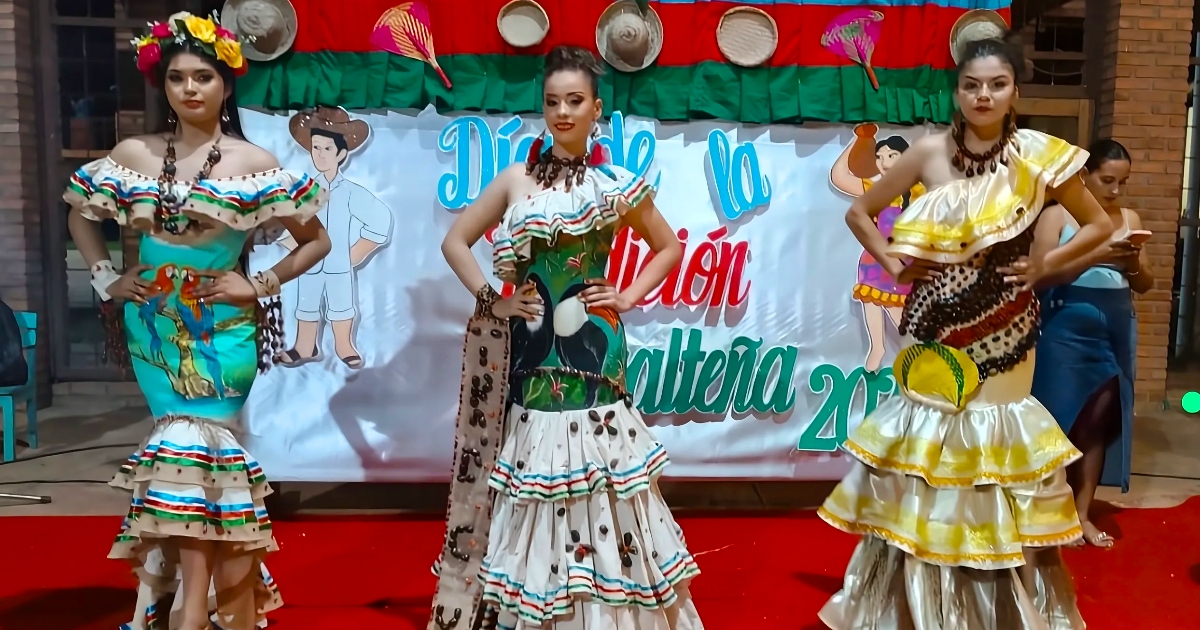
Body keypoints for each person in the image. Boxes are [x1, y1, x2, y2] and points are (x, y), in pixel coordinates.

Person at [816, 30, 1113, 629]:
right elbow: (859, 212)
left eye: (997, 85)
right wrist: (894, 263)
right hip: (933, 324)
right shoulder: (927, 152)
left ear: (1015, 92)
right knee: (934, 454)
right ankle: (916, 606)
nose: (984, 95)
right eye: (972, 85)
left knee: (996, 450)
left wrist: (1045, 266)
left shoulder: (1037, 155)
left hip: (1009, 327)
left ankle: (1001, 608)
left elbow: (1099, 225)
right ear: (957, 92)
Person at [63, 12, 331, 630]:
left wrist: (257, 284)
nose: (190, 88)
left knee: (195, 457)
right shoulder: (134, 154)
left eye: (203, 77)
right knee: (178, 466)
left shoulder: (253, 161)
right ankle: (197, 604)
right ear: (163, 85)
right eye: (178, 77)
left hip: (223, 330)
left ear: (226, 84)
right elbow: (80, 213)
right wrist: (107, 278)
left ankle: (191, 610)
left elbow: (315, 241)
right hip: (153, 329)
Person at [432, 45, 703, 629]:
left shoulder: (615, 184)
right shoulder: (516, 179)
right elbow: (456, 241)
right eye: (553, 101)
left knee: (602, 476)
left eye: (574, 101)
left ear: (596, 109)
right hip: (532, 349)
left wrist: (627, 296)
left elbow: (668, 247)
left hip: (594, 348)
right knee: (539, 479)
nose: (562, 112)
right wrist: (495, 300)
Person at [1031, 139, 1153, 547]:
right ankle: (1048, 514)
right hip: (1064, 328)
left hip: (1114, 327)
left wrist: (1131, 263)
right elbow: (1039, 276)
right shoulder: (1056, 215)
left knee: (1097, 423)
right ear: (1084, 175)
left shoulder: (1129, 217)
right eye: (1107, 180)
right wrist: (1094, 255)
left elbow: (1146, 284)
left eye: (1122, 182)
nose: (1115, 190)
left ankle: (1081, 515)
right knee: (1058, 422)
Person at [277, 106, 393, 369]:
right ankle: (305, 346)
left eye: (327, 148)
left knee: (342, 305)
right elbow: (282, 220)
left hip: (339, 265)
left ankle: (344, 345)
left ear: (341, 153)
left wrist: (356, 253)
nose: (320, 154)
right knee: (306, 303)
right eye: (316, 147)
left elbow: (380, 218)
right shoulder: (302, 191)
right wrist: (297, 247)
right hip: (309, 264)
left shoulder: (350, 192)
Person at [831, 125, 927, 371]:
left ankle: (915, 352)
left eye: (892, 155)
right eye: (879, 156)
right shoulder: (875, 190)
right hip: (874, 258)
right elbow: (839, 177)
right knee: (871, 301)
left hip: (903, 261)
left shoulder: (920, 190)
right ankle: (877, 347)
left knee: (897, 308)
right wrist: (858, 140)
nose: (884, 162)